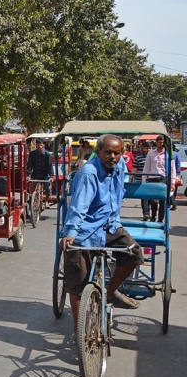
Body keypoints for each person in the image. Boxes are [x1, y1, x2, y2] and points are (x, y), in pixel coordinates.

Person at [60, 134, 145, 338]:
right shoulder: (89, 172)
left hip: (110, 226)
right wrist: (70, 234)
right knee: (77, 283)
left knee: (134, 253)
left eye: (117, 152)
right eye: (108, 152)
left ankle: (110, 291)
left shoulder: (120, 168)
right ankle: (80, 331)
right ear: (98, 152)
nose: (112, 156)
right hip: (85, 229)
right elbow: (79, 206)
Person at [141, 134, 176, 223]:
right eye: (160, 142)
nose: (161, 144)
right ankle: (153, 218)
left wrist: (172, 182)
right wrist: (144, 181)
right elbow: (146, 168)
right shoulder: (151, 154)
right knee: (153, 201)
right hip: (153, 179)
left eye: (163, 142)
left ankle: (160, 220)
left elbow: (172, 169)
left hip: (163, 180)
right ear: (156, 143)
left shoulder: (168, 154)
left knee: (163, 202)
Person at [171, 145, 181, 211]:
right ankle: (172, 202)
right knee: (174, 190)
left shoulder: (168, 153)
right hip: (175, 175)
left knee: (169, 190)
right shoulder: (176, 154)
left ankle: (173, 203)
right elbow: (178, 164)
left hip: (168, 174)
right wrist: (177, 173)